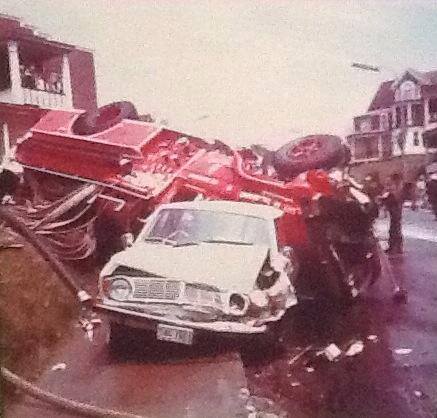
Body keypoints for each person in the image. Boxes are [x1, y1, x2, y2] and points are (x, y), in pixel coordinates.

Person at [381, 173, 404, 254]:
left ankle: (395, 247)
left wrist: (387, 191)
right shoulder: (398, 187)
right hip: (395, 208)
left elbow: (393, 197)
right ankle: (397, 247)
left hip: (395, 208)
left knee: (394, 228)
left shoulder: (396, 188)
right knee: (395, 227)